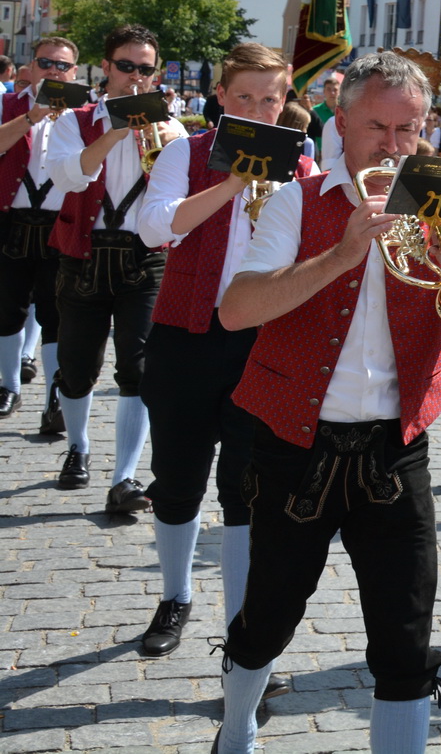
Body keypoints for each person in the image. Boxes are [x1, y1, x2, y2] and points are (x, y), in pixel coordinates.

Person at [211, 51, 441, 754]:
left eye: (409, 129)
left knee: (405, 642)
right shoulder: (298, 197)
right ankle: (236, 728)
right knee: (268, 618)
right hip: (295, 444)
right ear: (340, 120)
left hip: (394, 449)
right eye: (378, 126)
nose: (395, 145)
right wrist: (340, 257)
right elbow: (236, 309)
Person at [133, 44, 316, 664]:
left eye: (272, 97)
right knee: (178, 479)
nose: (260, 108)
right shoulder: (187, 149)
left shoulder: (303, 160)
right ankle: (176, 595)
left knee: (249, 490)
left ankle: (244, 627)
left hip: (263, 342)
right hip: (186, 336)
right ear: (219, 96)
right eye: (246, 96)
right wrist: (235, 179)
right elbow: (154, 226)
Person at [47, 24, 188, 509]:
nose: (135, 78)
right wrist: (113, 133)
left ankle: (124, 477)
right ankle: (78, 448)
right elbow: (67, 176)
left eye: (145, 70)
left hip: (143, 258)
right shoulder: (76, 121)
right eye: (125, 67)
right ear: (105, 67)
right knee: (76, 367)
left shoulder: (171, 127)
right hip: (83, 253)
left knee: (138, 368)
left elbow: (180, 198)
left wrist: (169, 138)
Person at [0, 37, 79, 422]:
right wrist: (34, 114)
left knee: (55, 314)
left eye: (61, 65)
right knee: (6, 309)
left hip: (58, 225)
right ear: (30, 67)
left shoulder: (83, 114)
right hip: (12, 220)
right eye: (46, 63)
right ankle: (10, 386)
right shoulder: (8, 105)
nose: (53, 71)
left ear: (74, 72)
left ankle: (54, 398)